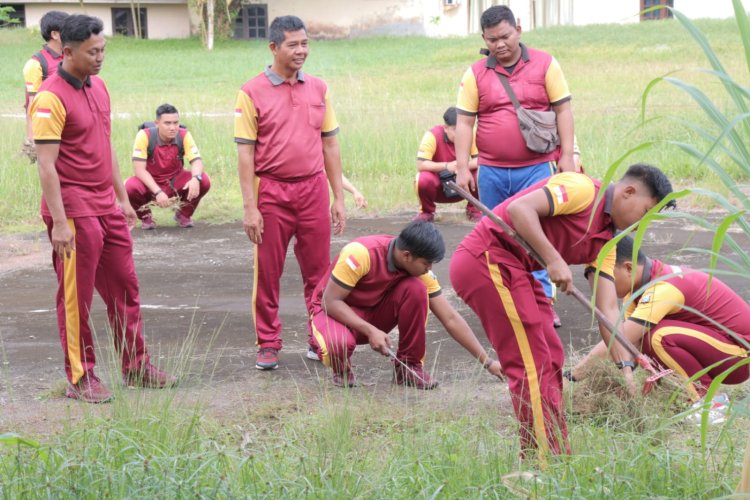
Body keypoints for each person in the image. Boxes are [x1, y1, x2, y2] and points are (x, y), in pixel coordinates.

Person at [450, 165, 674, 458]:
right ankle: (542, 460)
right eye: (644, 214)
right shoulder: (582, 189)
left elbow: (607, 309)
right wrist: (554, 260)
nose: (640, 226)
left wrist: (626, 369)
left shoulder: (609, 241)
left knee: (550, 355)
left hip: (518, 271)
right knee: (531, 363)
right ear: (628, 192)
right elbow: (520, 209)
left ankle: (555, 451)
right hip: (487, 260)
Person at [30, 14, 175, 403]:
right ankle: (81, 377)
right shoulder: (49, 97)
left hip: (104, 204)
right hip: (72, 209)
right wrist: (59, 222)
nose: (100, 57)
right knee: (76, 297)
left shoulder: (101, 87)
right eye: (92, 52)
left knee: (125, 286)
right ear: (69, 51)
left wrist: (123, 200)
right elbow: (46, 165)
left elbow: (105, 145)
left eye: (103, 50)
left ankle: (135, 366)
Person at [454, 5, 579, 327]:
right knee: (498, 239)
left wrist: (567, 155)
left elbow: (563, 111)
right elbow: (465, 123)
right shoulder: (475, 73)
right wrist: (463, 167)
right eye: (492, 39)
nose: (500, 44)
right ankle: (509, 304)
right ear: (484, 39)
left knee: (536, 237)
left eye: (505, 36)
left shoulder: (546, 64)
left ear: (519, 30)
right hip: (492, 172)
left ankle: (542, 304)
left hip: (537, 169)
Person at [234, 15, 346, 371]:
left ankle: (318, 337)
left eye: (305, 44)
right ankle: (268, 343)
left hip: (312, 189)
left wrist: (338, 197)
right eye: (293, 45)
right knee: (268, 272)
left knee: (319, 271)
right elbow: (245, 154)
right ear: (273, 48)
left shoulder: (319, 89)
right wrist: (250, 208)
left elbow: (330, 145)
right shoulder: (251, 92)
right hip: (271, 191)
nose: (301, 51)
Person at [567, 235, 750, 425]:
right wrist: (622, 380)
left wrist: (573, 376)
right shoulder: (638, 290)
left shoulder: (662, 288)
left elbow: (621, 338)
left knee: (659, 337)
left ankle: (712, 402)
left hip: (739, 356)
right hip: (719, 350)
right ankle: (688, 395)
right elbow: (627, 343)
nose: (600, 285)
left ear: (628, 268)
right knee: (647, 336)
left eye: (604, 276)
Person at [309, 220, 504, 388]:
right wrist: (370, 330)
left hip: (372, 313)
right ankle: (341, 369)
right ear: (406, 255)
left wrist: (487, 362)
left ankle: (408, 369)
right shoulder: (361, 254)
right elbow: (330, 301)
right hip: (331, 312)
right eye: (426, 264)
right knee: (338, 345)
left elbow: (450, 318)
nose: (429, 269)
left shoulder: (420, 272)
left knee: (417, 289)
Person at [125, 104, 211, 229]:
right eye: (167, 123)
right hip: (150, 184)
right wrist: (158, 192)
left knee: (203, 180)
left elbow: (196, 161)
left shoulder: (184, 135)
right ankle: (146, 217)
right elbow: (139, 170)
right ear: (157, 123)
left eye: (176, 123)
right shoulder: (144, 135)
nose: (172, 128)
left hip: (174, 182)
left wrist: (196, 178)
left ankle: (183, 214)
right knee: (129, 187)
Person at [414, 107, 481, 223]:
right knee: (422, 178)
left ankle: (474, 208)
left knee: (483, 172)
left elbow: (481, 160)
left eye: (461, 129)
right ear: (446, 128)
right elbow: (421, 164)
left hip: (463, 183)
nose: (459, 133)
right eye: (455, 129)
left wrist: (461, 166)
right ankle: (427, 212)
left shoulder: (471, 132)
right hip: (439, 184)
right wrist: (446, 166)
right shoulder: (432, 135)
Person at [22, 10, 68, 162]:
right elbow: (32, 104)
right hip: (49, 129)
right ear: (55, 34)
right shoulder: (35, 64)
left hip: (68, 125)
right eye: (67, 30)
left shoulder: (69, 57)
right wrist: (31, 139)